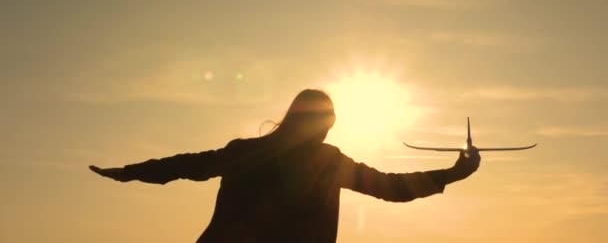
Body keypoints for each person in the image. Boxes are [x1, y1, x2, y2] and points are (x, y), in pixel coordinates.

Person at [90, 89, 480, 242]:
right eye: (328, 122)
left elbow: (183, 165)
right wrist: (453, 173)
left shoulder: (245, 151)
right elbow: (390, 187)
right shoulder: (328, 163)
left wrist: (129, 172)